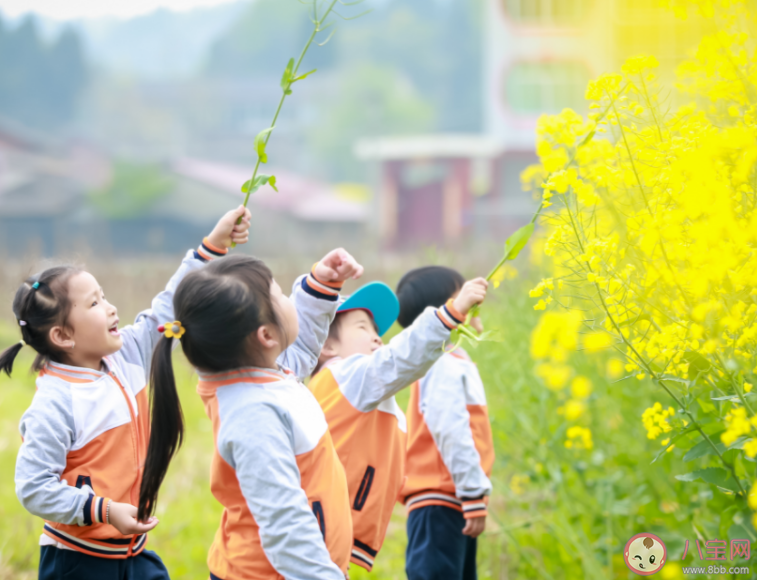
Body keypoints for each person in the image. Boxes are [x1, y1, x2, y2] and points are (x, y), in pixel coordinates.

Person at [0, 206, 252, 580]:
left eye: (104, 296)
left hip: (132, 554)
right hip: (79, 562)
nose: (111, 307)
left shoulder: (127, 356)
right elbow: (34, 488)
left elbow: (165, 307)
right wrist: (102, 510)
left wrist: (211, 248)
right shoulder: (56, 403)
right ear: (63, 336)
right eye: (94, 303)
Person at [137, 250, 364, 580]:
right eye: (281, 293)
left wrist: (321, 287)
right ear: (266, 336)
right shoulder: (253, 415)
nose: (289, 297)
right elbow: (283, 521)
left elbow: (298, 351)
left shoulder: (258, 372)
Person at [308, 276, 488, 571]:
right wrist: (451, 314)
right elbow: (398, 360)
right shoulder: (346, 375)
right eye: (363, 328)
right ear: (326, 345)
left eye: (377, 331)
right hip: (319, 526)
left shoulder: (357, 393)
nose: (378, 337)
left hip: (326, 529)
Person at [397, 266, 496, 580]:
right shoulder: (441, 363)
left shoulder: (450, 360)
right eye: (462, 295)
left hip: (447, 498)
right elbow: (450, 429)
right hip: (439, 500)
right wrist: (471, 492)